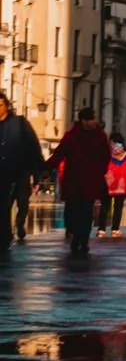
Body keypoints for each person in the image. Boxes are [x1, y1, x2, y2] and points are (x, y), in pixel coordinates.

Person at [50, 107, 113, 262]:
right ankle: (75, 233)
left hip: (90, 180)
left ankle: (82, 239)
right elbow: (59, 154)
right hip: (73, 180)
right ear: (84, 121)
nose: (94, 122)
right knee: (71, 211)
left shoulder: (100, 136)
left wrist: (100, 171)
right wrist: (44, 166)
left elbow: (106, 156)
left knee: (85, 211)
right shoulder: (71, 136)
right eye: (92, 119)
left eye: (94, 118)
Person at [0, 98, 44, 249]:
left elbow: (33, 146)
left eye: (0, 105)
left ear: (6, 106)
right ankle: (5, 235)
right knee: (4, 206)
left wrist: (38, 171)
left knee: (22, 201)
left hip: (20, 172)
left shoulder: (19, 123)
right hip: (2, 173)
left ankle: (19, 223)